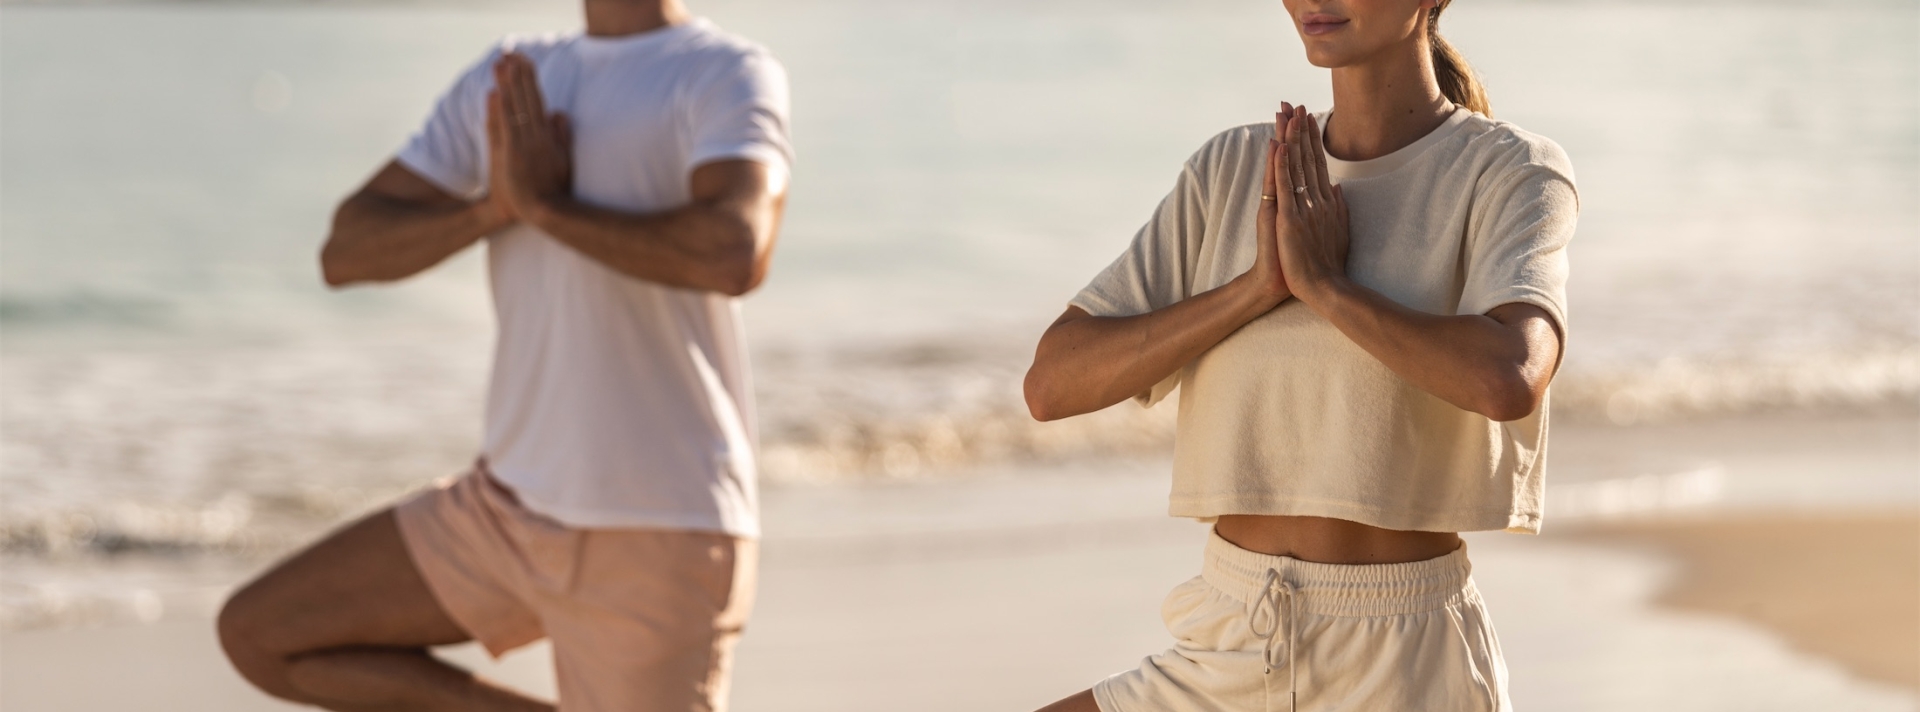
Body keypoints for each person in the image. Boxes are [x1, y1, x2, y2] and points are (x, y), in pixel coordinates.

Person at [215, 0, 791, 709]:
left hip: (659, 523)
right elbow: (347, 250)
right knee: (264, 634)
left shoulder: (724, 73)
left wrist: (549, 209)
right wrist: (495, 209)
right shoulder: (512, 76)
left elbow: (734, 251)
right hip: (503, 511)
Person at [1022, 0, 1574, 709]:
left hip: (1399, 662)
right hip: (1228, 634)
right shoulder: (1233, 170)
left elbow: (1509, 376)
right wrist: (1255, 289)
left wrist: (1327, 289)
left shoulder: (1509, 171)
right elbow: (1053, 383)